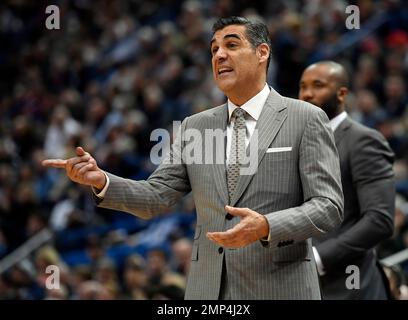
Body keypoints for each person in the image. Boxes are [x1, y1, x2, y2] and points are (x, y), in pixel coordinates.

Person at [42, 17, 344, 300]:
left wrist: (267, 225)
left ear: (262, 52)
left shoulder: (306, 118)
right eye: (214, 49)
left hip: (282, 288)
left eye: (231, 45)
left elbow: (328, 206)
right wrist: (103, 181)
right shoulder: (194, 126)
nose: (219, 55)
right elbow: (155, 196)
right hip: (207, 290)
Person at [299, 61, 395, 299]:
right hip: (300, 284)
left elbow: (379, 220)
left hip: (351, 286)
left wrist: (319, 257)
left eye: (318, 85)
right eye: (302, 87)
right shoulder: (296, 143)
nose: (307, 94)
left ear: (342, 93)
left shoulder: (363, 140)